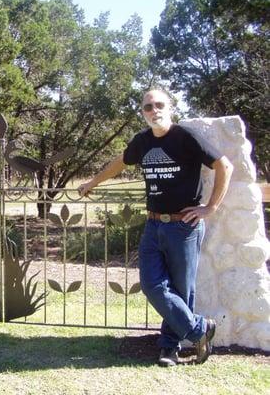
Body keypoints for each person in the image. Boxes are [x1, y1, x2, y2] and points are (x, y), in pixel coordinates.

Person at [78, 89, 233, 367]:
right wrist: (92, 183)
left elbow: (225, 166)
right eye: (148, 107)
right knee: (152, 286)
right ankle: (200, 329)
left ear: (170, 107)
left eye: (159, 104)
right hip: (153, 224)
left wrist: (210, 208)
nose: (154, 110)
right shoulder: (143, 141)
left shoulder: (185, 137)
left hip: (183, 227)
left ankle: (168, 348)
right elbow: (119, 162)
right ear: (143, 112)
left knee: (181, 289)